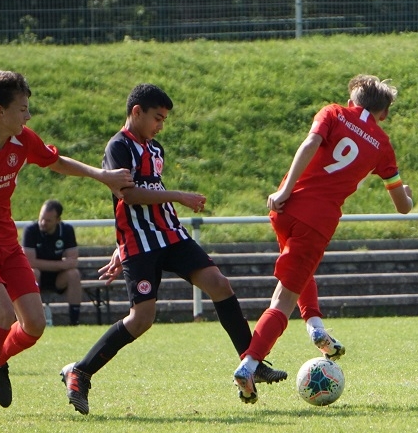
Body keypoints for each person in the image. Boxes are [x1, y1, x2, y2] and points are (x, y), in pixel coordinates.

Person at [60, 83, 287, 415]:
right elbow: (129, 195)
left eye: (164, 119)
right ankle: (80, 371)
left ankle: (251, 363)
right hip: (140, 242)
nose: (160, 126)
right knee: (141, 319)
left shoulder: (155, 149)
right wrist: (178, 197)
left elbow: (146, 191)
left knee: (220, 285)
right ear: (137, 112)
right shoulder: (118, 146)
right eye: (157, 118)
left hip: (171, 234)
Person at [0, 70, 134, 421]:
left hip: (6, 243)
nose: (28, 115)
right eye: (22, 109)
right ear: (0, 111)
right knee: (2, 315)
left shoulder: (21, 140)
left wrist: (101, 176)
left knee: (34, 324)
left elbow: (56, 162)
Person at [232, 75, 414, 403]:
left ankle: (316, 326)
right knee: (282, 300)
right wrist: (409, 196)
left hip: (285, 207)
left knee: (300, 272)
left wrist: (285, 191)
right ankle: (249, 364)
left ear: (352, 100)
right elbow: (403, 206)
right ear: (384, 113)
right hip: (317, 221)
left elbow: (309, 145)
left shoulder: (333, 112)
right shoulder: (382, 144)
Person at [22, 199, 83, 326]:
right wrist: (61, 265)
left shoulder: (66, 230)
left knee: (74, 274)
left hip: (57, 278)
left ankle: (74, 321)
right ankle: (31, 320)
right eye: (41, 218)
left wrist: (46, 264)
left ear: (58, 220)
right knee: (33, 273)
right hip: (37, 276)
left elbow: (72, 261)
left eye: (48, 220)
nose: (43, 223)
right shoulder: (31, 230)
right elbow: (29, 262)